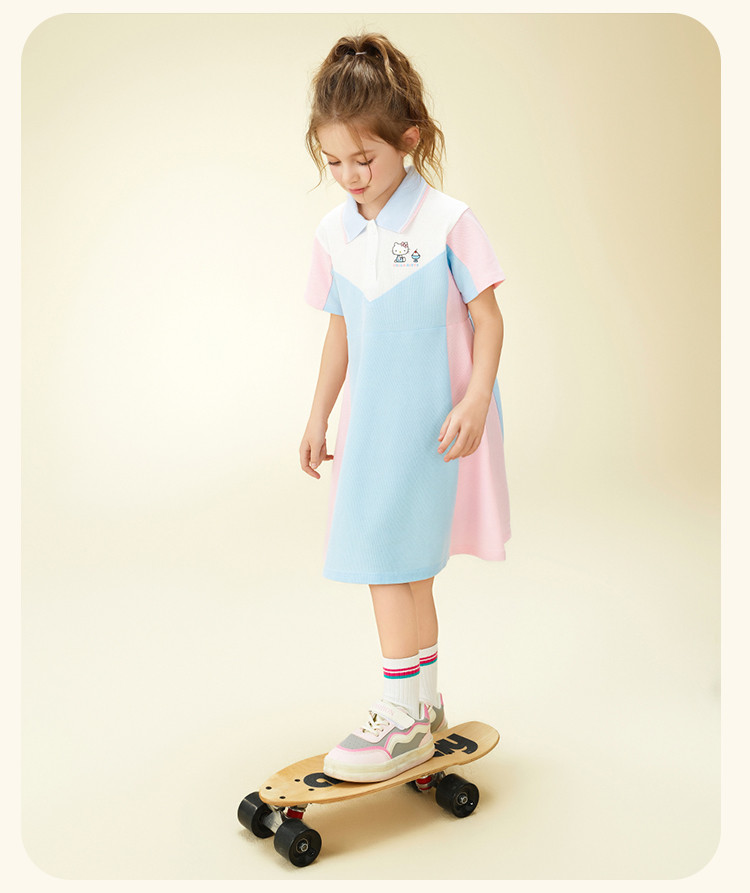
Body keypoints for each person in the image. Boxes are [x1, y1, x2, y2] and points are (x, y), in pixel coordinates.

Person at [299, 32, 511, 783]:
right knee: (408, 570)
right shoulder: (334, 232)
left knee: (389, 563)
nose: (350, 176)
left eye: (365, 158)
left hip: (433, 425)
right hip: (371, 426)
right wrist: (318, 415)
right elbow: (339, 330)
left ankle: (400, 718)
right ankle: (423, 703)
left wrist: (476, 397)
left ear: (409, 139)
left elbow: (488, 318)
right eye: (334, 162)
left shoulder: (448, 220)